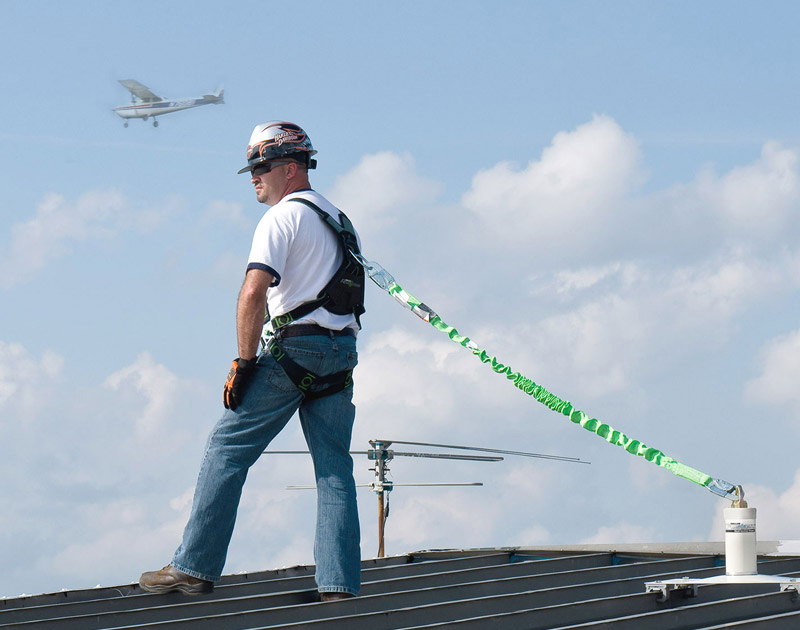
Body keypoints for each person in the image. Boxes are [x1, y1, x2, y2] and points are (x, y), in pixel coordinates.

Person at [139, 122, 362, 601]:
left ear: (289, 168)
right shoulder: (337, 218)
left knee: (226, 450)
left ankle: (193, 566)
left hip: (293, 351)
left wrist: (243, 364)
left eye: (261, 167)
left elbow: (253, 292)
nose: (253, 177)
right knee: (334, 469)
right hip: (340, 356)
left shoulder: (281, 218)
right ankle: (338, 585)